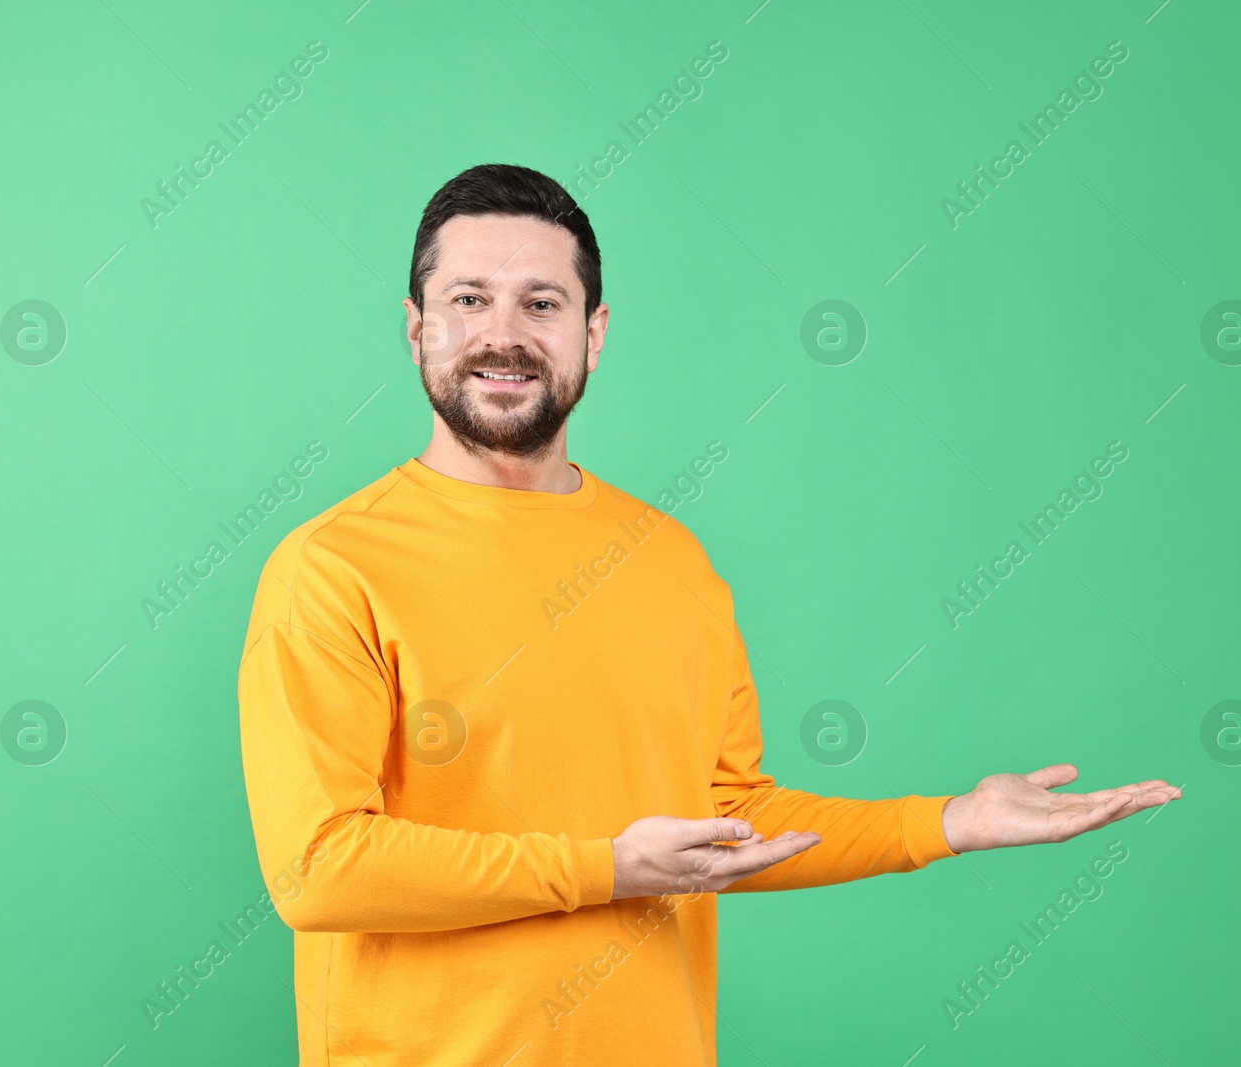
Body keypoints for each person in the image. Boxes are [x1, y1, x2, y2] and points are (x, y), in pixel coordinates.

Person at [236, 163, 1181, 1066]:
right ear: (416, 329)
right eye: (468, 299)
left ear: (594, 332)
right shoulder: (334, 567)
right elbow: (318, 866)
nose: (504, 333)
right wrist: (606, 867)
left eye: (542, 302)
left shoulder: (667, 559)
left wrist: (946, 821)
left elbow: (727, 815)